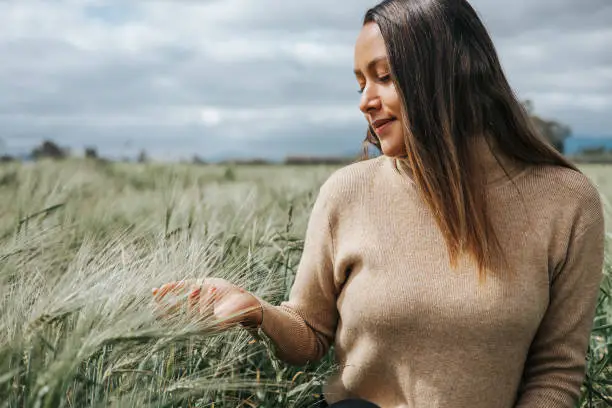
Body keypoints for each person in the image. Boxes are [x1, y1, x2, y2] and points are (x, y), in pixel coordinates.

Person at [152, 0, 606, 407]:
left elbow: (556, 373)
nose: (366, 102)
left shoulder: (565, 203)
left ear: (450, 74)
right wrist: (258, 311)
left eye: (385, 77)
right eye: (360, 84)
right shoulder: (346, 192)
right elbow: (310, 333)